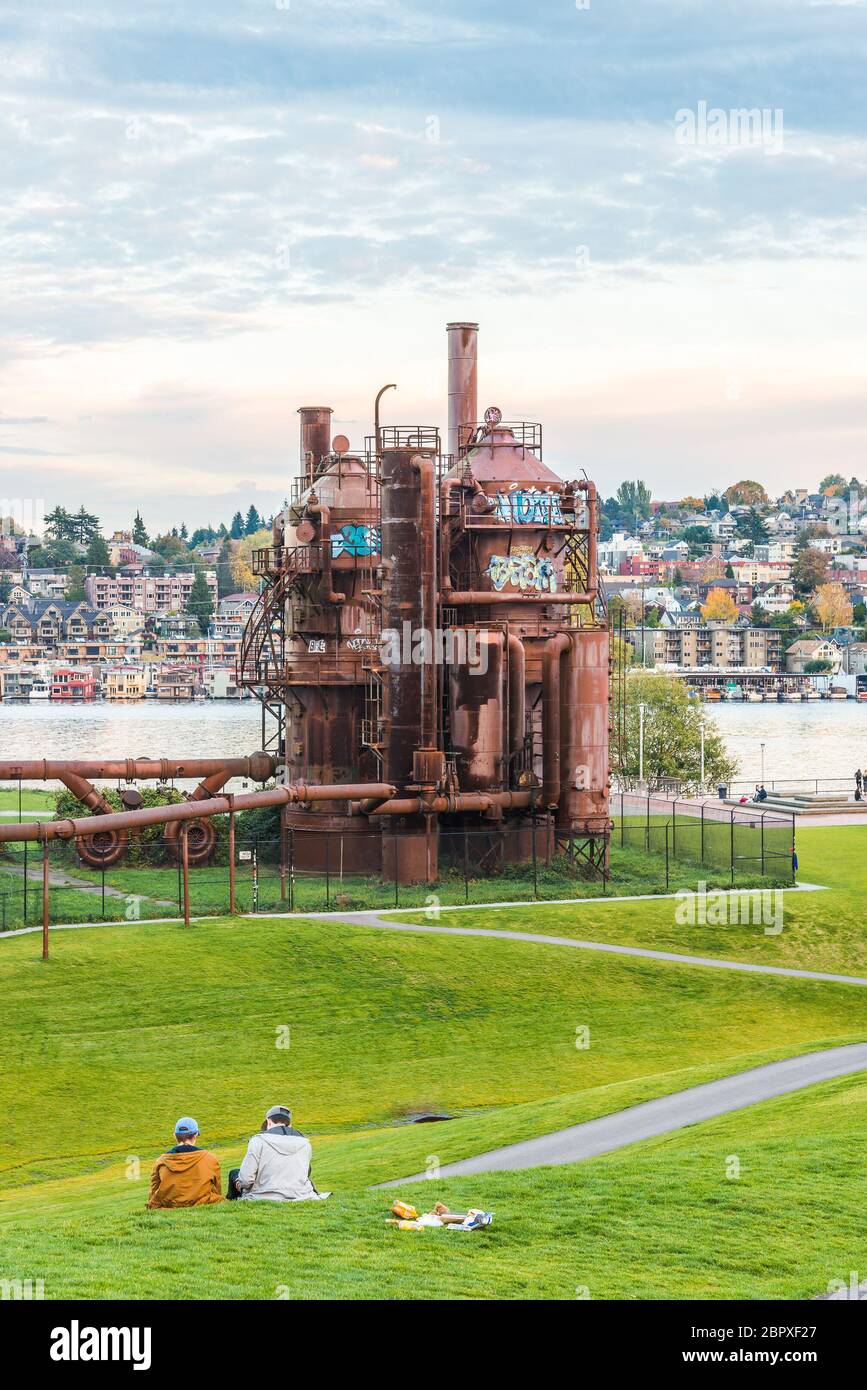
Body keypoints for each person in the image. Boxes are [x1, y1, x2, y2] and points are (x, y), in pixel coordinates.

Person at [228, 1105, 329, 1203]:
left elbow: (246, 1180)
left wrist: (242, 1183)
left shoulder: (258, 1140)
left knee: (234, 1173)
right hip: (300, 1194)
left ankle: (232, 1204)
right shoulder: (305, 1143)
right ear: (289, 1124)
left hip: (262, 1195)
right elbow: (306, 1173)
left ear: (268, 1121)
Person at [147, 1117, 224, 1209]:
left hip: (169, 1207)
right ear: (195, 1135)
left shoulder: (161, 1161)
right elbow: (217, 1189)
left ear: (175, 1136)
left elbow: (154, 1190)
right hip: (202, 1203)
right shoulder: (210, 1158)